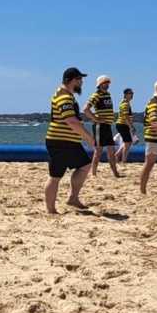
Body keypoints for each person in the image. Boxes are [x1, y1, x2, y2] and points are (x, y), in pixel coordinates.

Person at [45, 67, 97, 214]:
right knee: (55, 176)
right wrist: (88, 137)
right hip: (60, 142)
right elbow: (71, 121)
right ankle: (51, 210)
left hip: (68, 142)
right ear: (71, 80)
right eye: (79, 79)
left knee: (85, 165)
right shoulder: (64, 97)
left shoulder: (67, 95)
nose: (81, 83)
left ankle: (73, 198)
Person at [83, 75, 121, 178]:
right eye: (105, 83)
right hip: (100, 126)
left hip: (107, 126)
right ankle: (93, 173)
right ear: (100, 84)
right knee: (98, 151)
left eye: (108, 83)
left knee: (111, 150)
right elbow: (85, 109)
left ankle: (115, 173)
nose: (107, 85)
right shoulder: (96, 95)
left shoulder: (108, 94)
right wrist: (95, 119)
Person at [115, 87, 135, 166]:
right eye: (130, 93)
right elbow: (126, 116)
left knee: (128, 142)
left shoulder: (125, 103)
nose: (132, 95)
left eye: (132, 94)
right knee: (128, 143)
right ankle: (123, 160)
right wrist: (131, 126)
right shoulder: (125, 104)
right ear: (126, 95)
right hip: (122, 124)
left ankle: (118, 156)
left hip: (122, 124)